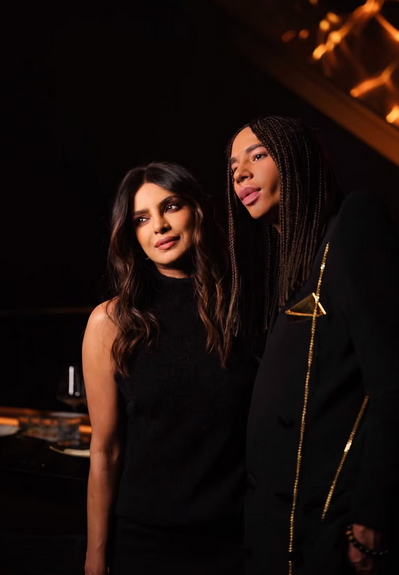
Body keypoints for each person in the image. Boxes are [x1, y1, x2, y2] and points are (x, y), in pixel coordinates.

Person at [225, 116, 399, 575]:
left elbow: (396, 386)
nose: (241, 174)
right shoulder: (298, 264)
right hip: (281, 530)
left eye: (258, 155)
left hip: (332, 529)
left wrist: (372, 517)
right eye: (234, 167)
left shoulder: (355, 221)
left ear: (296, 158)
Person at [82, 161, 257, 575]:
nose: (158, 226)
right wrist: (95, 557)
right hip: (143, 544)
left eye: (171, 206)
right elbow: (105, 452)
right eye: (141, 219)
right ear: (131, 234)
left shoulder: (244, 308)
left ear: (198, 210)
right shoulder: (111, 322)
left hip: (234, 541)